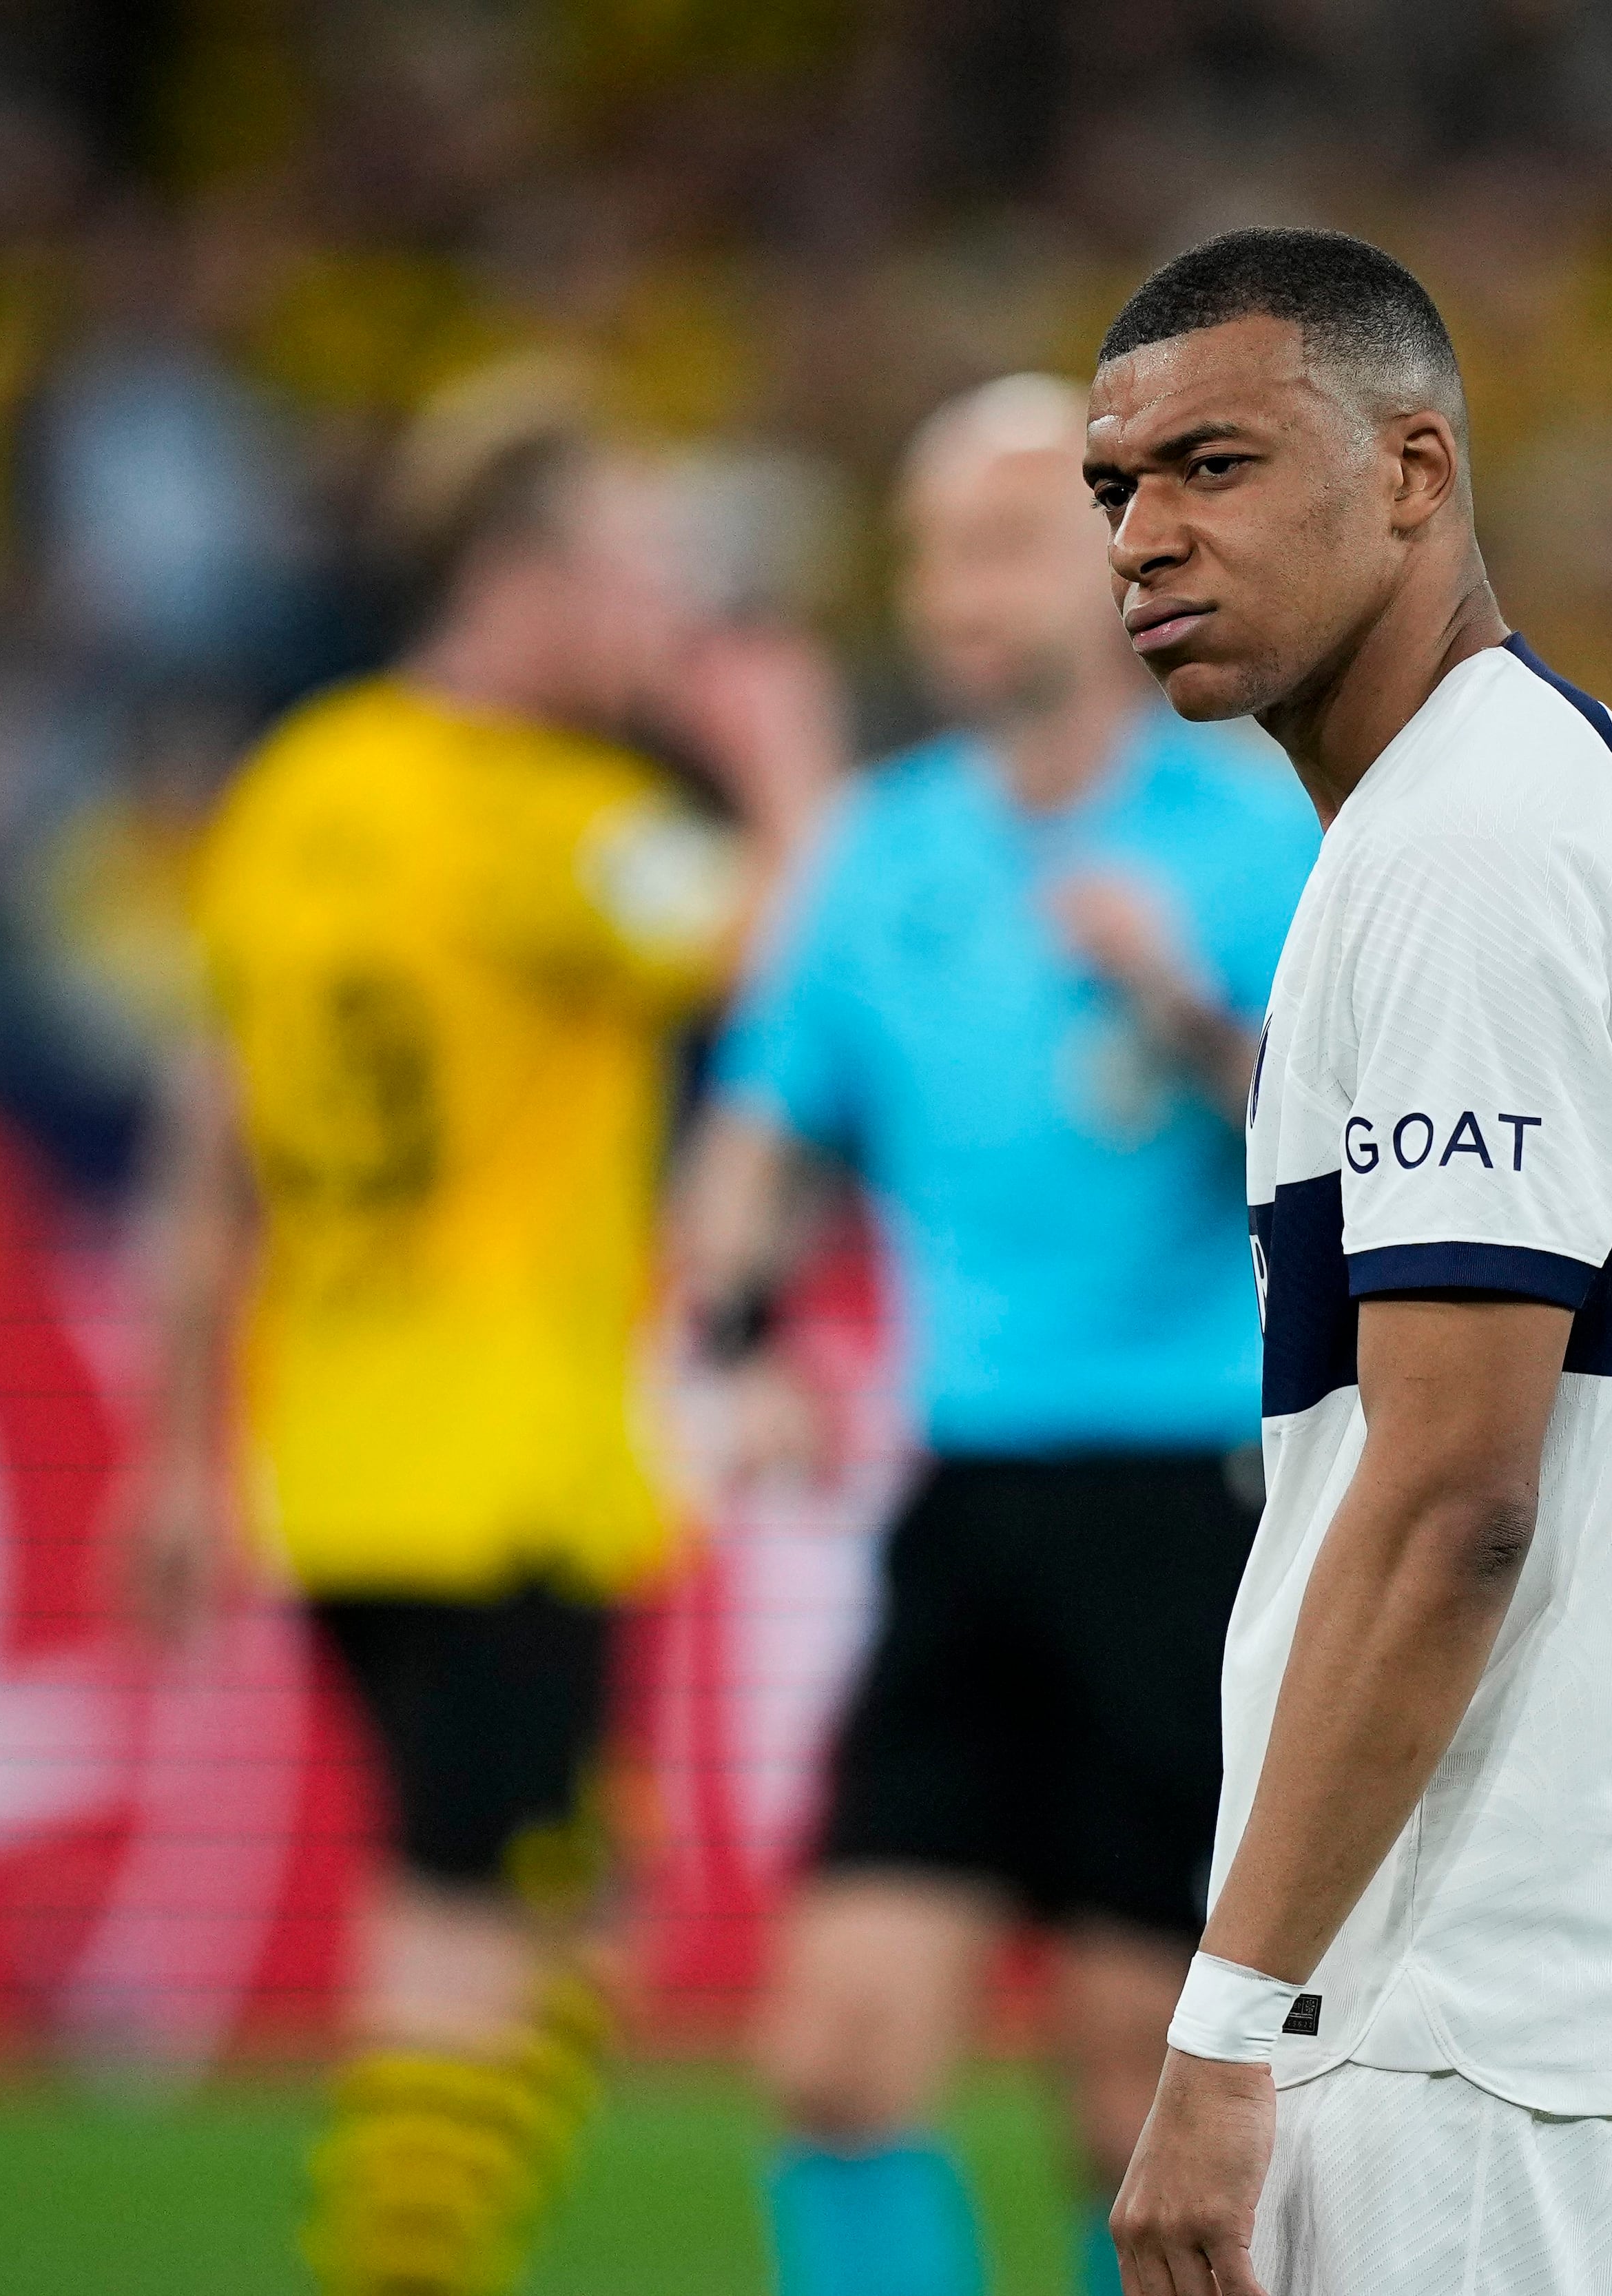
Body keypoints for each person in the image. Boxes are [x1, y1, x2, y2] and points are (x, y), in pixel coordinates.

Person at [1086, 230, 1612, 2295]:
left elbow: (1450, 1503)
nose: (1145, 536)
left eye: (1214, 466)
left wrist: (1224, 2030)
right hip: (1532, 1956)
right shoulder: (1523, 791)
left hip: (1494, 1974)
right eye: (1115, 490)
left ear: (1415, 474)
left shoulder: (1465, 851)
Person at [118, 369, 833, 2296]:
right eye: (635, 573)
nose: (663, 619)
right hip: (505, 1465)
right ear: (520, 575)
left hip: (333, 1464)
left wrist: (173, 1455)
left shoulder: (293, 791)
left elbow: (205, 1150)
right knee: (468, 1939)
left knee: (581, 1908)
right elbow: (816, 961)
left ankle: (422, 2262)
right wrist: (775, 754)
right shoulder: (556, 821)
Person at [678, 372, 1318, 2296]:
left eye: (998, 544)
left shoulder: (1251, 836)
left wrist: (1195, 1017)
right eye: (927, 553)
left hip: (1188, 1512)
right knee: (837, 2058)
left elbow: (1370, 1160)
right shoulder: (881, 855)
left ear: (1124, 558)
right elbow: (761, 1138)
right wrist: (740, 1334)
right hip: (969, 1506)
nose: (951, 593)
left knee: (1134, 2100)